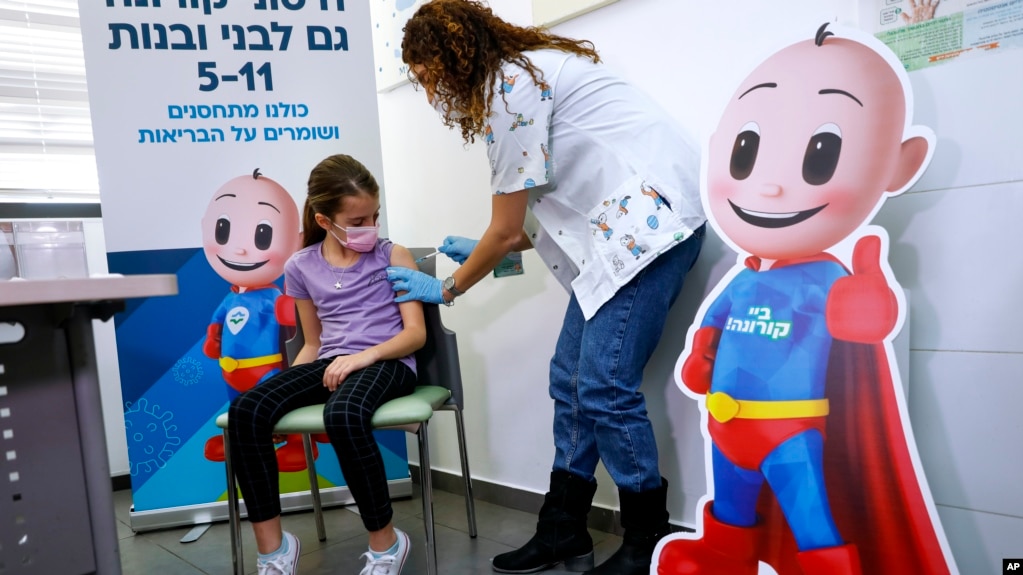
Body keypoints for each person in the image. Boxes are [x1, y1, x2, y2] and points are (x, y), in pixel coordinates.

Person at [387, 2, 707, 573]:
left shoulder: (510, 88)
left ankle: (648, 540)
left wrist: (448, 287)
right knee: (570, 379)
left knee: (605, 385)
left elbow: (506, 228)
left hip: (653, 231)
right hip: (625, 234)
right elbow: (536, 218)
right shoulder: (524, 76)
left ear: (455, 56)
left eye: (429, 75)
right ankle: (564, 528)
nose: (432, 92)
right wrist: (496, 245)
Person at [228, 154, 426, 575]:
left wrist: (364, 356)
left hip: (387, 360)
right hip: (334, 362)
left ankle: (386, 545)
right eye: (358, 221)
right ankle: (274, 551)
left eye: (374, 216)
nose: (370, 227)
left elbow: (415, 334)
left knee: (343, 414)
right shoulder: (300, 266)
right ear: (324, 220)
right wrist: (283, 397)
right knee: (248, 410)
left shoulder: (394, 255)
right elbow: (313, 342)